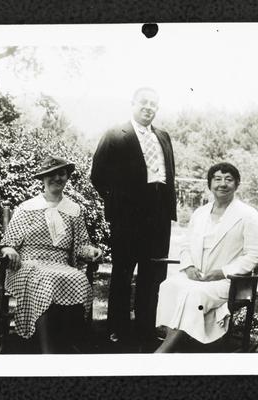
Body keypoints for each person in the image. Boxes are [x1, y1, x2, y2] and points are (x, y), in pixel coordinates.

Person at [91, 87, 177, 347]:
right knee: (123, 274)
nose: (149, 107)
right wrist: (119, 203)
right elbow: (98, 176)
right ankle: (116, 329)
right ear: (133, 104)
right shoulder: (115, 134)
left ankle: (145, 330)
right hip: (128, 219)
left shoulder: (163, 136)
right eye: (144, 102)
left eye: (154, 104)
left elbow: (166, 175)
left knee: (153, 277)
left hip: (159, 217)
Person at [0, 155, 102, 353]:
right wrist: (8, 249)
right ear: (43, 179)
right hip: (28, 264)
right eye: (51, 174)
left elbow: (81, 245)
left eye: (61, 174)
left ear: (67, 177)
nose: (57, 178)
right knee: (46, 279)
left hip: (61, 264)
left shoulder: (74, 210)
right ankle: (48, 350)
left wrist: (92, 251)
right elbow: (7, 242)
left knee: (78, 278)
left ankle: (69, 343)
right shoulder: (27, 208)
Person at [154, 162, 258, 353]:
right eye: (217, 179)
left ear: (237, 184)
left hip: (230, 282)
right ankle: (179, 337)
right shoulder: (200, 213)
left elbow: (254, 255)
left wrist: (223, 272)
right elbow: (186, 245)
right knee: (168, 286)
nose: (223, 184)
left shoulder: (248, 215)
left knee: (192, 295)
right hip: (197, 276)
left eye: (229, 179)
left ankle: (165, 350)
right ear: (209, 184)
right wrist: (188, 267)